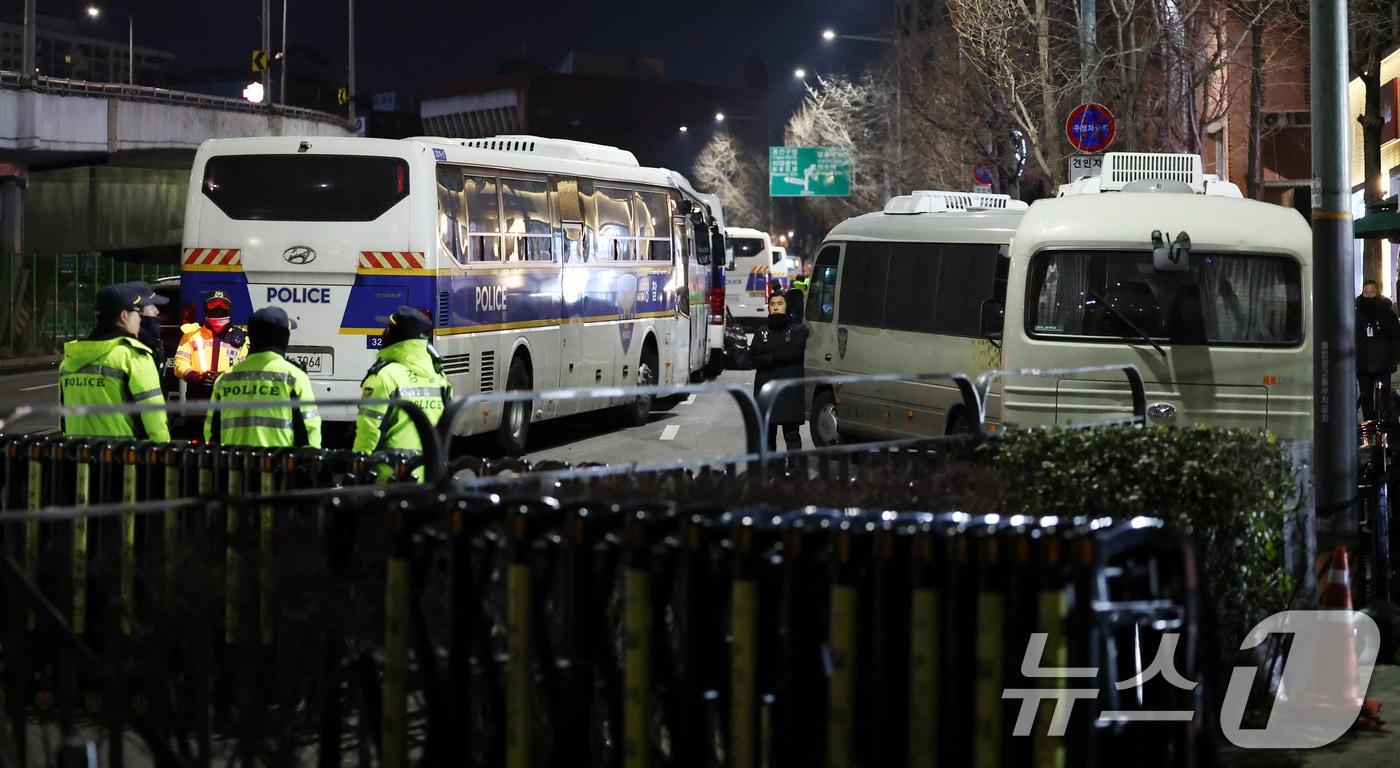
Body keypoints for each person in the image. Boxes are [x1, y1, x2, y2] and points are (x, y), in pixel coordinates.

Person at [58, 282, 171, 441]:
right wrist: (161, 453)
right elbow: (154, 416)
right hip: (121, 457)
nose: (140, 319)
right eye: (137, 312)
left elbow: (63, 420)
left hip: (79, 455)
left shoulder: (70, 359)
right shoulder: (133, 357)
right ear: (124, 316)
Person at [353, 307, 452, 481]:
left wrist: (360, 470)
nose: (385, 333)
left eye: (389, 329)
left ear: (398, 335)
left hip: (391, 479)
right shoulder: (439, 377)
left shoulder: (384, 377)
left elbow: (369, 431)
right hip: (430, 476)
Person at [205, 307, 321, 448]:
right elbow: (310, 431)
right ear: (284, 337)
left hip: (234, 466)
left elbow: (211, 433)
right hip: (279, 466)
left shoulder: (225, 379)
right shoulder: (294, 378)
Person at [751, 289, 808, 451]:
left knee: (791, 435)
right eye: (772, 304)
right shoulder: (761, 332)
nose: (775, 307)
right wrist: (776, 355)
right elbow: (753, 357)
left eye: (780, 303)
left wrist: (768, 354)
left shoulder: (798, 331)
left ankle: (795, 472)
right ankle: (772, 471)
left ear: (787, 307)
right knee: (767, 437)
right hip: (766, 391)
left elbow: (791, 353)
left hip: (789, 393)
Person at [174, 291, 247, 400]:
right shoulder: (192, 334)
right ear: (205, 308)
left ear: (229, 309)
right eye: (213, 305)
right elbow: (180, 362)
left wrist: (222, 376)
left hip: (228, 400)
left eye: (223, 306)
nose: (218, 310)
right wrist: (195, 377)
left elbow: (244, 368)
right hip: (197, 399)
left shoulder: (241, 339)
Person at [1356, 279, 1400, 420]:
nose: (1368, 296)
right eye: (1365, 292)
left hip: (1383, 365)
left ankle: (1383, 431)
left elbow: (1396, 338)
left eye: (1372, 292)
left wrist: (1393, 361)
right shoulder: (1356, 312)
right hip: (1362, 365)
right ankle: (1369, 431)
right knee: (1366, 398)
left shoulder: (1387, 313)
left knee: (1383, 401)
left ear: (1378, 293)